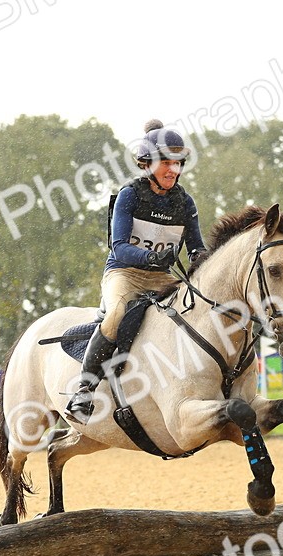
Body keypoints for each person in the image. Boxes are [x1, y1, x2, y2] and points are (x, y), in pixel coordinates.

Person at [65, 119, 210, 423]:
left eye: (177, 163)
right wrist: (152, 258)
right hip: (125, 273)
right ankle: (85, 390)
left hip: (162, 279)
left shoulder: (185, 203)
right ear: (147, 164)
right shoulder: (130, 195)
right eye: (166, 163)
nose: (173, 170)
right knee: (116, 313)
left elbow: (196, 247)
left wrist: (203, 261)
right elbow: (118, 246)